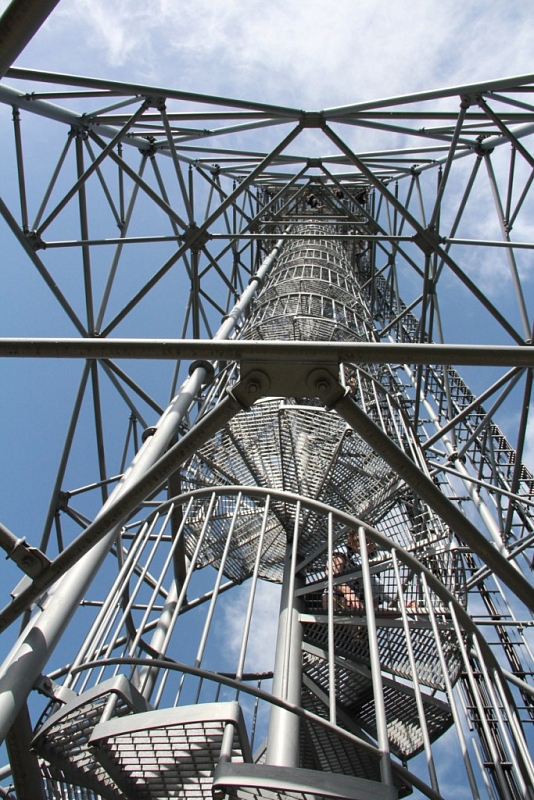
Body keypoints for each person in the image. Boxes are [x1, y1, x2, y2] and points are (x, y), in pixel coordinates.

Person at [323, 529, 394, 613]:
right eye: (362, 539)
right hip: (336, 605)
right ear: (350, 541)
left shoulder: (374, 574)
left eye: (371, 540)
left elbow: (375, 611)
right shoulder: (343, 554)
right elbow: (331, 573)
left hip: (359, 617)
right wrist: (348, 592)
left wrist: (404, 608)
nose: (368, 543)